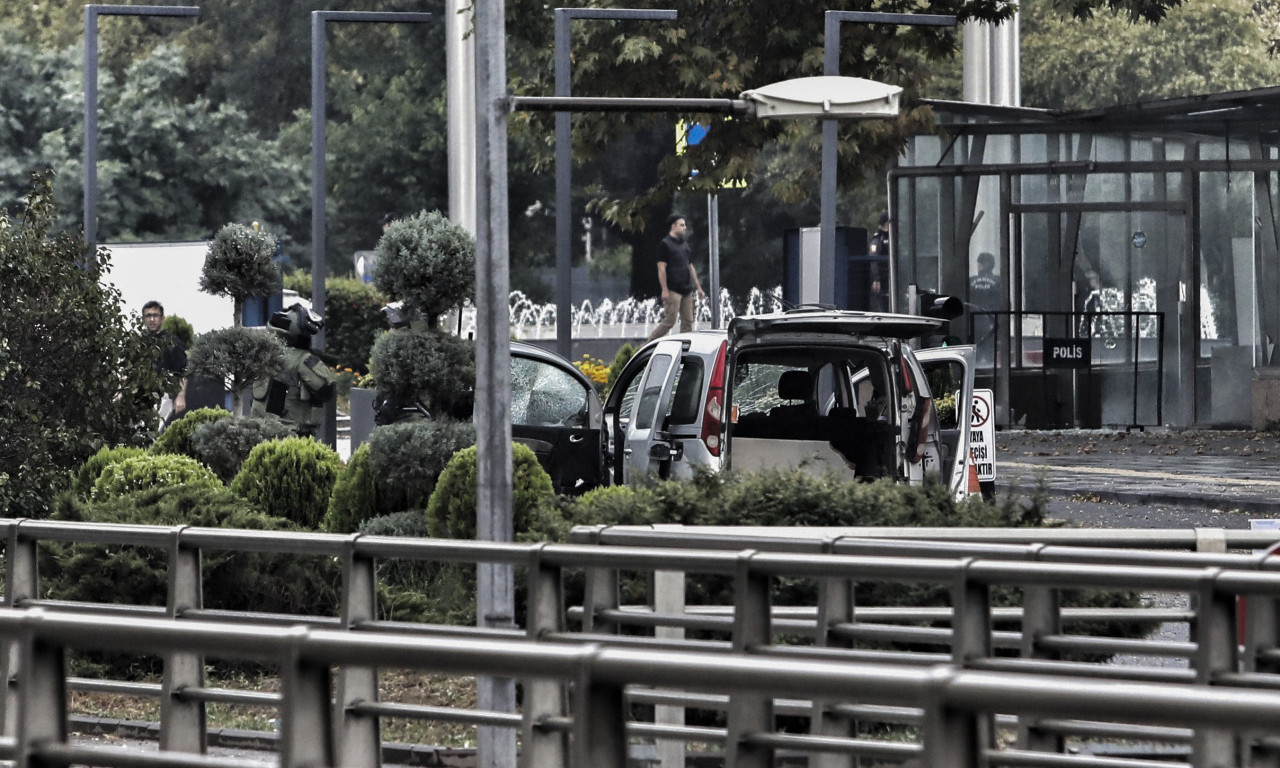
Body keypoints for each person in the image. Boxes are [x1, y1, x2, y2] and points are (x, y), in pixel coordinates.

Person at [251, 303, 336, 437]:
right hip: (292, 432)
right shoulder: (302, 359)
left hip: (259, 428)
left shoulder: (262, 352)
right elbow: (326, 388)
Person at [645, 213, 705, 342]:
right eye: (682, 225)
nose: (685, 227)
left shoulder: (684, 245)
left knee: (688, 322)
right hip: (673, 289)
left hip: (687, 290)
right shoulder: (665, 245)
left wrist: (698, 288)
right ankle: (647, 345)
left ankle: (684, 351)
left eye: (685, 225)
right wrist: (664, 289)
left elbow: (690, 266)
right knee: (670, 321)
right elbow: (661, 268)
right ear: (673, 226)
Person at [142, 300, 187, 423]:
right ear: (144, 319)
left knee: (154, 433)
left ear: (162, 318)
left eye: (155, 315)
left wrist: (181, 396)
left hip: (164, 396)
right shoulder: (140, 342)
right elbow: (128, 370)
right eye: (148, 316)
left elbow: (183, 370)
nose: (152, 319)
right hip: (141, 396)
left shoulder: (172, 341)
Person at [968, 252, 1002, 344]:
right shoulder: (1000, 281)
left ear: (979, 265)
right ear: (992, 265)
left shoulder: (970, 281)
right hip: (993, 322)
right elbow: (1006, 303)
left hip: (974, 322)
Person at [867, 211, 891, 310]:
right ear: (886, 223)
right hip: (883, 277)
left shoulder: (893, 237)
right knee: (883, 303)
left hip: (891, 276)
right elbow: (874, 259)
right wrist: (876, 279)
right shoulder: (878, 239)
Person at [1078, 270, 1103, 336]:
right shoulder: (1087, 292)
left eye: (1094, 279)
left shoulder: (1095, 292)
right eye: (1091, 279)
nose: (1093, 281)